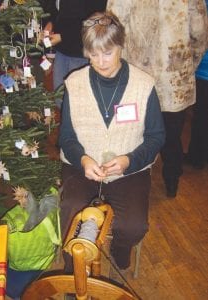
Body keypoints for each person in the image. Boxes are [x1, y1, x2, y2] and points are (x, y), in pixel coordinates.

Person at [59, 11, 165, 277]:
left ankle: (120, 248)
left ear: (120, 46)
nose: (100, 62)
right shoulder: (74, 84)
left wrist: (128, 160)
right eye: (93, 54)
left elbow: (156, 137)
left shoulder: (144, 85)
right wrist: (83, 160)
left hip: (129, 170)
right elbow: (67, 137)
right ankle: (75, 274)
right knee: (71, 217)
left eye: (107, 53)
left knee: (133, 226)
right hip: (81, 167)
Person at [107, 0, 207, 197]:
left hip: (136, 78)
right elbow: (199, 35)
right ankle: (171, 181)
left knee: (133, 133)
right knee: (172, 135)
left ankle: (134, 183)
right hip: (174, 78)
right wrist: (188, 66)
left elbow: (112, 31)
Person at [41, 0, 107, 108]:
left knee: (77, 102)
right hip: (61, 51)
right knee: (60, 100)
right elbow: (58, 11)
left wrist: (63, 36)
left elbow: (94, 21)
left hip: (81, 53)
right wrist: (50, 22)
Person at [184, 0, 208, 169]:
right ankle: (197, 155)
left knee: (202, 116)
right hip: (202, 67)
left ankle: (197, 157)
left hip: (202, 68)